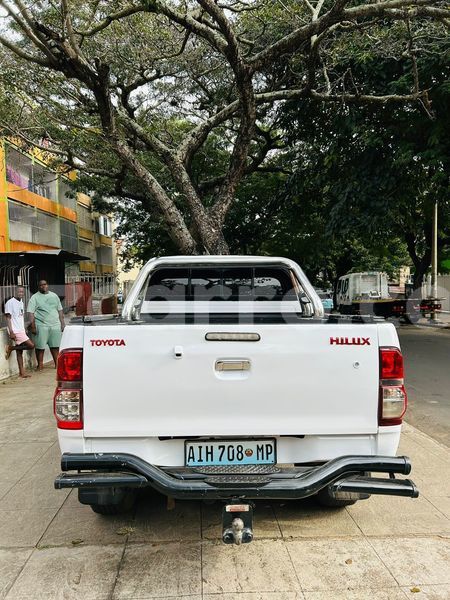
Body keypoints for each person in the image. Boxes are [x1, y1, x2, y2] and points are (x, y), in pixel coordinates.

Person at [27, 280, 65, 371]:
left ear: (47, 285)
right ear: (38, 287)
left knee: (55, 346)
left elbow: (60, 310)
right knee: (40, 347)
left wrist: (62, 323)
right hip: (41, 325)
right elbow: (31, 313)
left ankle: (57, 364)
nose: (43, 286)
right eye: (40, 285)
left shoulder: (54, 296)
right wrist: (33, 326)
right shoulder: (34, 297)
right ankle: (40, 365)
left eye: (44, 284)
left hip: (55, 325)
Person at [4, 286, 35, 378]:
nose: (21, 293)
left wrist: (23, 328)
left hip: (20, 329)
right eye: (19, 291)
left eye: (22, 292)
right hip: (15, 330)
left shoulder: (21, 302)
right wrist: (11, 331)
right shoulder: (10, 302)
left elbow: (19, 317)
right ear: (14, 292)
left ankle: (22, 373)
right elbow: (8, 318)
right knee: (31, 345)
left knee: (20, 351)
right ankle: (10, 348)